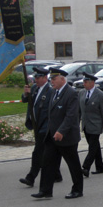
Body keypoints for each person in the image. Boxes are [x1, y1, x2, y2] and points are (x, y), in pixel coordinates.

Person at [31, 68, 83, 199]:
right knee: (47, 163)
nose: (51, 81)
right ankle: (45, 191)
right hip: (52, 136)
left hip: (66, 136)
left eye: (54, 79)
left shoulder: (71, 93)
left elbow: (71, 116)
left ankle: (77, 189)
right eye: (51, 79)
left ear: (62, 78)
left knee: (73, 164)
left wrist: (61, 131)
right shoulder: (54, 92)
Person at [20, 67, 62, 187]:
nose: (35, 80)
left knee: (38, 152)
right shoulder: (34, 88)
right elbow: (26, 101)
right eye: (35, 78)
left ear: (45, 78)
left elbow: (51, 111)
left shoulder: (50, 90)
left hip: (46, 127)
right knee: (48, 153)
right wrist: (25, 94)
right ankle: (56, 174)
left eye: (38, 78)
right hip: (37, 126)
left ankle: (31, 177)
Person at [79, 72, 103, 176]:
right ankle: (100, 167)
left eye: (86, 82)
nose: (84, 84)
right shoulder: (81, 93)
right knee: (95, 146)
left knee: (92, 147)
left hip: (96, 125)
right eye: (83, 82)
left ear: (92, 83)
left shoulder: (100, 95)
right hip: (86, 125)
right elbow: (80, 110)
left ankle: (85, 167)